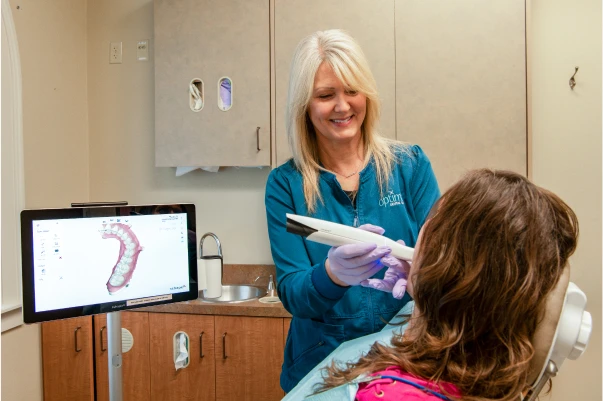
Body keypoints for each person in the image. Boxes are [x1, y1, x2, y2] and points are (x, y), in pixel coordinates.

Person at [264, 29, 440, 392]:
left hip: (402, 361)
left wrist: (421, 274)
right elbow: (293, 292)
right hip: (320, 367)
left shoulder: (410, 167)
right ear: (305, 106)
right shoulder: (286, 185)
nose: (343, 107)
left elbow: (449, 263)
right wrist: (332, 274)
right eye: (326, 95)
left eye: (352, 91)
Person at [305, 169, 579, 401]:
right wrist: (422, 292)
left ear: (449, 267)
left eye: (434, 226)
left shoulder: (392, 394)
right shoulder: (489, 379)